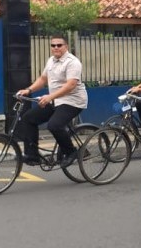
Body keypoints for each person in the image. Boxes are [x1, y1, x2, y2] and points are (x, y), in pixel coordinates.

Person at [15, 35, 88, 168]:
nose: (55, 48)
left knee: (54, 125)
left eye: (59, 45)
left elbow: (71, 85)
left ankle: (71, 152)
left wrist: (50, 97)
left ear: (66, 46)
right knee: (28, 119)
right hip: (55, 99)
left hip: (73, 101)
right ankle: (32, 156)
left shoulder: (73, 62)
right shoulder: (51, 61)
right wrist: (28, 90)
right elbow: (43, 79)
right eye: (53, 45)